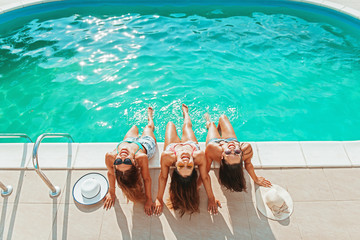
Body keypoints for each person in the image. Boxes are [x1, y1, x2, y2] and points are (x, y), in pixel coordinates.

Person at [154, 104, 220, 217]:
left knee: (170, 124)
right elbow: (205, 177)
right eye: (189, 166)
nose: (185, 162)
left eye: (181, 166)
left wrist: (159, 198)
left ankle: (181, 112)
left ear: (175, 167)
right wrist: (211, 198)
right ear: (194, 166)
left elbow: (163, 177)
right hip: (191, 145)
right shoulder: (198, 155)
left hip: (172, 147)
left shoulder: (167, 156)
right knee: (187, 126)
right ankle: (186, 113)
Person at [103, 107, 156, 216]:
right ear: (134, 163)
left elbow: (111, 173)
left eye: (118, 162)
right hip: (145, 144)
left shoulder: (110, 156)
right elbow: (146, 178)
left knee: (134, 127)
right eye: (126, 161)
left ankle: (147, 118)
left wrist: (111, 192)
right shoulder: (141, 157)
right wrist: (149, 199)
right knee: (148, 127)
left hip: (127, 142)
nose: (122, 157)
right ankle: (150, 117)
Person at [204, 114, 271, 192]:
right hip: (231, 140)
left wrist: (201, 182)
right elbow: (248, 164)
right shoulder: (246, 148)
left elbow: (206, 167)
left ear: (222, 155)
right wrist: (255, 178)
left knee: (211, 124)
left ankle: (211, 125)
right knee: (223, 117)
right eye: (237, 152)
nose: (232, 148)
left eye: (228, 152)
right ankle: (219, 130)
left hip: (215, 142)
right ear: (241, 154)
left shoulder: (212, 148)